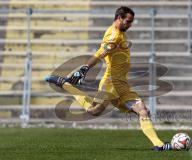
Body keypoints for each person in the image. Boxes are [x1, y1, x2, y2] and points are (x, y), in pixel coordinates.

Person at [45, 6, 172, 151]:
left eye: (131, 22)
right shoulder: (114, 36)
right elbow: (100, 53)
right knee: (94, 111)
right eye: (128, 21)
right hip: (111, 82)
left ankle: (159, 145)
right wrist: (84, 68)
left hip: (122, 83)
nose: (130, 25)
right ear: (119, 18)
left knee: (143, 110)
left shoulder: (119, 32)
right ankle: (66, 85)